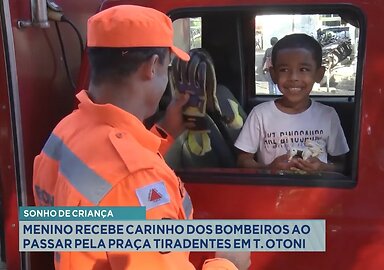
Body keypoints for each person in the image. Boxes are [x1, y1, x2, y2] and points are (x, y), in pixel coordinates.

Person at [32, 5, 249, 270]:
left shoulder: (67, 130)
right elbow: (126, 178)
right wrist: (228, 263)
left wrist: (165, 131)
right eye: (168, 66)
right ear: (152, 66)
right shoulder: (137, 179)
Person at [235, 33, 349, 173]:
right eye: (284, 70)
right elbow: (243, 160)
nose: (294, 77)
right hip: (272, 192)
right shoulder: (260, 114)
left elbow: (342, 165)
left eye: (303, 69)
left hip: (314, 194)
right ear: (273, 74)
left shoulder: (328, 115)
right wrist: (269, 169)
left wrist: (322, 168)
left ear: (319, 74)